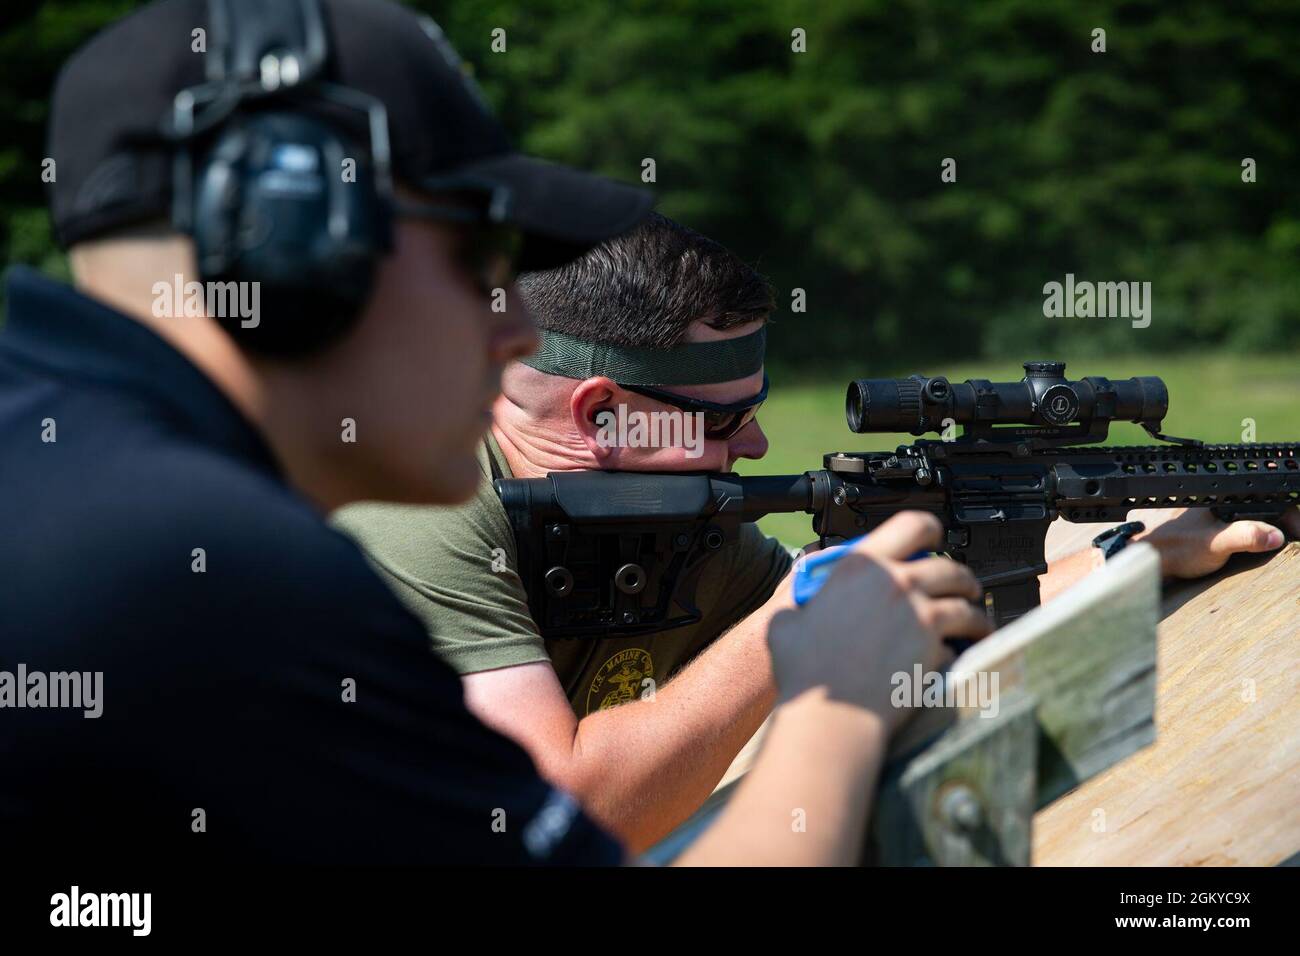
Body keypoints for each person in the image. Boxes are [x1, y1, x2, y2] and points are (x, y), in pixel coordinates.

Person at [0, 0, 992, 867]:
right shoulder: (223, 564)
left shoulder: (67, 476)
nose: (517, 331)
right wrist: (831, 694)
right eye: (476, 255)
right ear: (296, 243)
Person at [335, 211, 1300, 851]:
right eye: (720, 420)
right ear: (602, 417)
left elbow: (911, 588)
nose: (754, 440)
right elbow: (555, 820)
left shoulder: (674, 506)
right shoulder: (417, 506)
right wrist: (796, 613)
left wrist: (1130, 547)